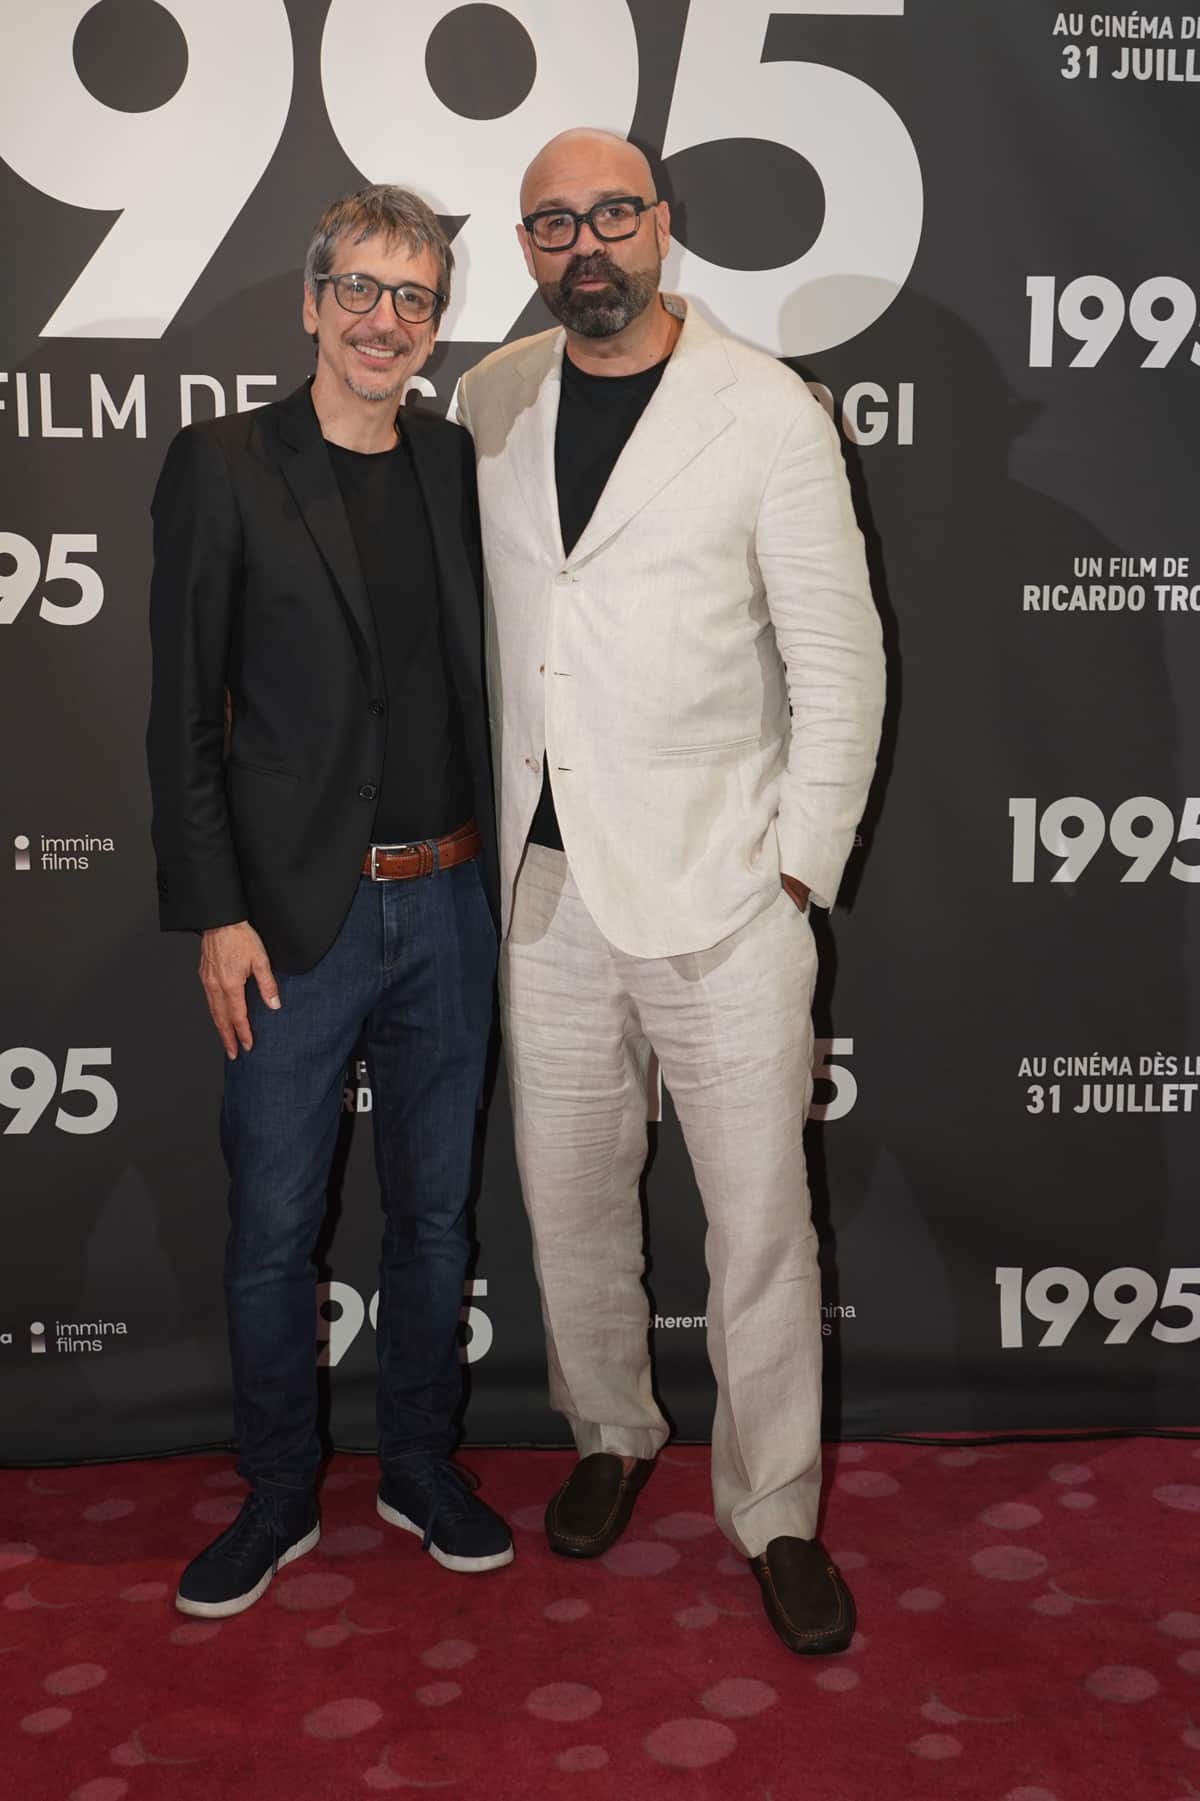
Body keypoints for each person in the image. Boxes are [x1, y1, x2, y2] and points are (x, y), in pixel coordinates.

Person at [457, 131, 884, 1654]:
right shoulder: (491, 396)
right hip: (544, 892)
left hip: (722, 892)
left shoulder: (768, 413)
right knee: (568, 1204)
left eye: (614, 215)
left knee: (761, 1227)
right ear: (526, 247)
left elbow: (839, 663)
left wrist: (795, 870)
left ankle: (775, 1508)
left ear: (664, 228)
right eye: (556, 222)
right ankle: (610, 1430)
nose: (590, 245)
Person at [147, 185, 511, 1619]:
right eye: (357, 289)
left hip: (454, 905)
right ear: (309, 302)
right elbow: (182, 711)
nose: (382, 320)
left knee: (435, 1220)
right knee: (275, 1224)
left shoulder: (454, 463)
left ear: (437, 323)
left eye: (412, 298)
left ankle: (420, 1461)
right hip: (295, 920)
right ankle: (279, 1488)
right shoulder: (224, 464)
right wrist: (216, 912)